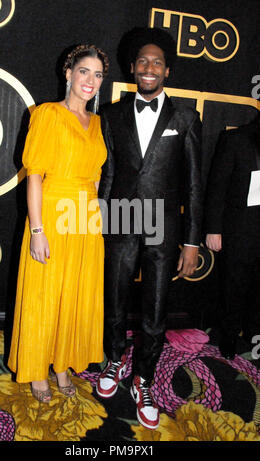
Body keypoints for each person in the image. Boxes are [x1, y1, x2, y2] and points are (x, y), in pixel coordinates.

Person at [96, 27, 203, 429]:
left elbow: (194, 184)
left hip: (164, 226)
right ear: (132, 68)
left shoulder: (186, 118)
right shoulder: (112, 115)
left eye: (157, 61)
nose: (149, 67)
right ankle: (113, 360)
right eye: (143, 61)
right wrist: (100, 224)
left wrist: (192, 241)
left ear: (167, 70)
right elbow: (107, 176)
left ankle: (144, 379)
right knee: (115, 298)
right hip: (121, 218)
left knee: (155, 310)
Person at [8, 44, 109, 402]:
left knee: (73, 296)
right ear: (68, 73)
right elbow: (34, 175)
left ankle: (62, 363)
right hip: (51, 212)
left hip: (85, 218)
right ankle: (36, 368)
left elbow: (97, 178)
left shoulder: (98, 123)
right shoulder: (46, 114)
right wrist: (37, 230)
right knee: (44, 293)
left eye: (98, 74)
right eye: (84, 71)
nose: (91, 80)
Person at [205, 115, 260, 360]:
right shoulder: (236, 139)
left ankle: (253, 334)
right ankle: (227, 339)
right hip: (240, 228)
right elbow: (217, 187)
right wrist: (213, 229)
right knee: (233, 286)